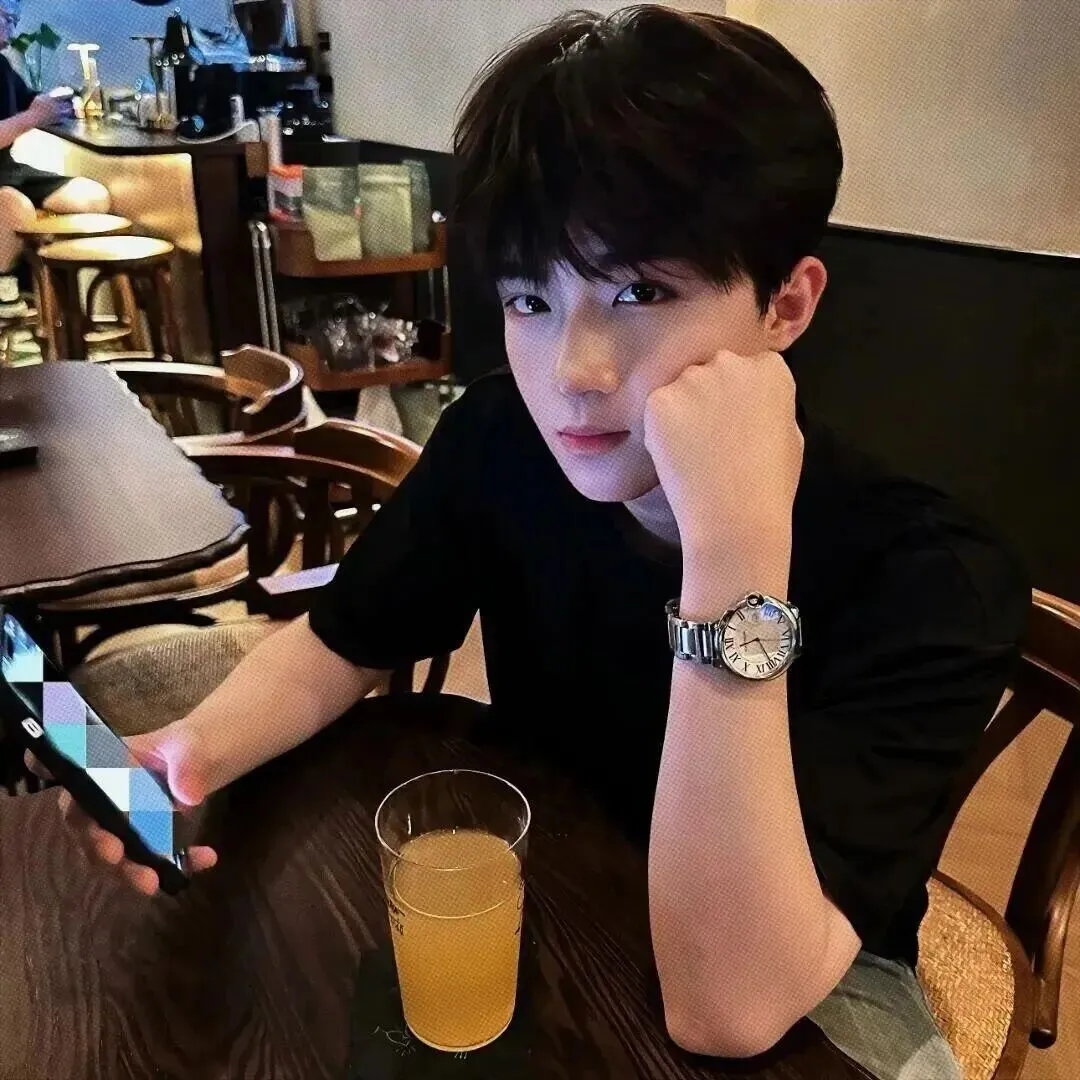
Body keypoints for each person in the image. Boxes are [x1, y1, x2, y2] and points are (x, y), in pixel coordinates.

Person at [35, 8, 1029, 1079]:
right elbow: (341, 644)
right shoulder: (504, 437)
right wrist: (192, 754)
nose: (574, 372)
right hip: (555, 875)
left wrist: (733, 558)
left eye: (641, 291)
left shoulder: (933, 575)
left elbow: (729, 1006)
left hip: (808, 978)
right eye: (530, 298)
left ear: (786, 304)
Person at [0, 0, 111, 275]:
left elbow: (31, 102)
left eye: (15, 20)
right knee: (14, 208)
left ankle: (52, 287)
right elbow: (31, 115)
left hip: (8, 171)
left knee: (91, 198)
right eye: (7, 18)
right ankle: (6, 290)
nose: (12, 28)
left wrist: (61, 103)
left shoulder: (1, 66)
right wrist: (33, 117)